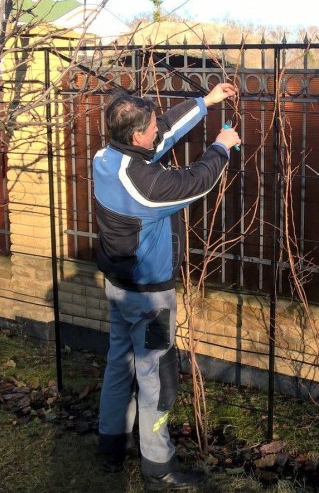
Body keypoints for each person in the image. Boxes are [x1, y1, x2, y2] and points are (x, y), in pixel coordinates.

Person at [93, 83, 240, 491]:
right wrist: (222, 146)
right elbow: (196, 182)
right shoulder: (146, 185)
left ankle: (111, 445)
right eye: (152, 127)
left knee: (117, 363)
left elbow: (166, 133)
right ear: (138, 136)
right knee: (157, 377)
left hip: (118, 287)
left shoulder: (107, 158)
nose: (159, 130)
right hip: (149, 297)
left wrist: (205, 102)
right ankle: (159, 467)